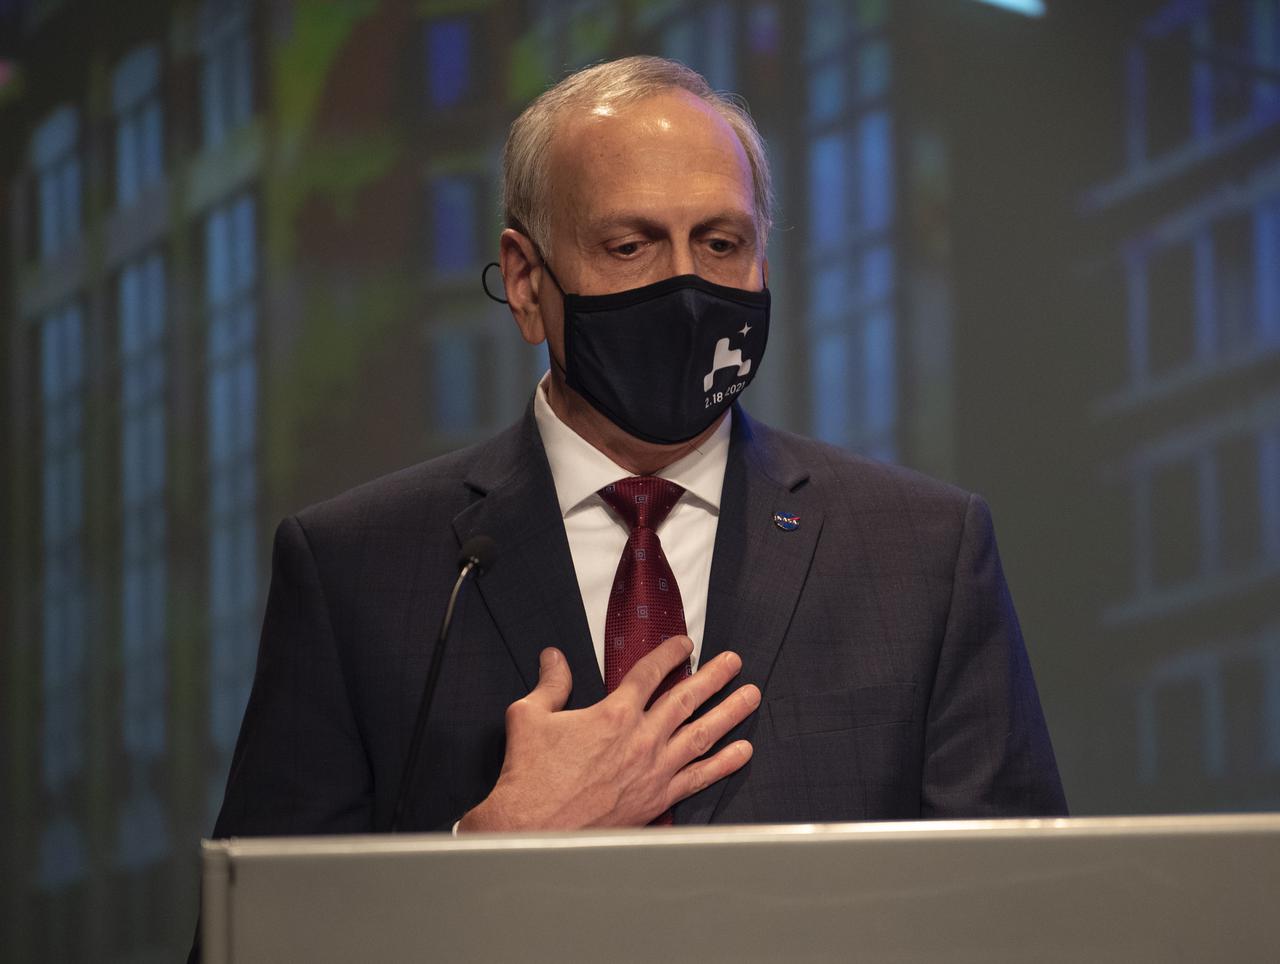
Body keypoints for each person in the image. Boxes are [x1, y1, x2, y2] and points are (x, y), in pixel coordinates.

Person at [208, 56, 1066, 844]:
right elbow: (253, 934)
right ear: (524, 281)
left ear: (764, 262)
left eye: (721, 244)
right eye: (630, 246)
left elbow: (1028, 919)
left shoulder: (923, 554)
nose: (685, 289)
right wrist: (487, 856)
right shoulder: (356, 571)